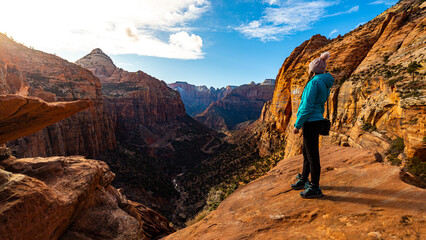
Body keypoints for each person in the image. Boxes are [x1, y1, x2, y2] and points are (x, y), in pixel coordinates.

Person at [291, 52, 334, 199]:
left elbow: (306, 106)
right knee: (307, 152)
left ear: (312, 70)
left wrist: (297, 125)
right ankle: (304, 179)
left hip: (310, 122)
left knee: (312, 155)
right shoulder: (324, 82)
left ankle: (315, 187)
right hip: (317, 120)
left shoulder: (313, 83)